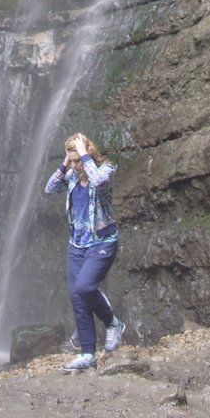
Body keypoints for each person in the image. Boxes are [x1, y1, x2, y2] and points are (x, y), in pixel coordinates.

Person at [44, 131, 125, 371]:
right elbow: (50, 188)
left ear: (88, 152)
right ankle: (88, 354)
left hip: (102, 242)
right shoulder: (71, 176)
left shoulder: (106, 170)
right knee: (78, 298)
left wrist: (84, 156)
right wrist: (65, 163)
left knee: (85, 287)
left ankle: (113, 323)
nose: (76, 164)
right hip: (77, 245)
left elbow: (99, 180)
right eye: (73, 160)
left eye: (78, 159)